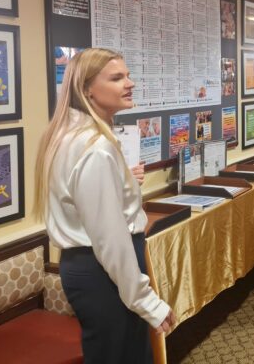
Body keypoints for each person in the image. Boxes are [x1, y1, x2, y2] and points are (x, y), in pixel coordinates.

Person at [33, 48, 175, 363]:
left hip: (89, 266)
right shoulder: (94, 147)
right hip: (102, 270)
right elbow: (111, 240)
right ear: (87, 89)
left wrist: (123, 181)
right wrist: (147, 301)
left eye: (127, 75)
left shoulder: (71, 135)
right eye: (117, 78)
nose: (130, 83)